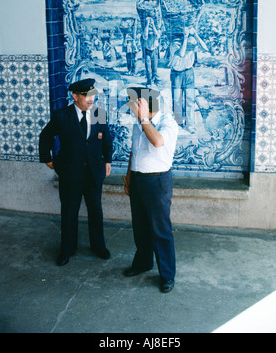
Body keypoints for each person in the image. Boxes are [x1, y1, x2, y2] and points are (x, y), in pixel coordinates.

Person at [39, 78, 113, 266]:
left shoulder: (98, 114)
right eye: (87, 96)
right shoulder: (62, 115)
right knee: (69, 211)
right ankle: (67, 249)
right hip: (70, 173)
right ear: (75, 96)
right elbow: (45, 136)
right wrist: (47, 159)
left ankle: (98, 246)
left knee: (96, 211)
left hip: (93, 172)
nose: (91, 99)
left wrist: (108, 159)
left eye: (92, 95)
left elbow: (106, 139)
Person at [123, 86, 178, 293]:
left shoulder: (168, 123)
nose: (128, 106)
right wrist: (129, 179)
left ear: (142, 104)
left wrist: (145, 119)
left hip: (157, 183)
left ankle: (167, 275)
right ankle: (143, 263)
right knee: (140, 227)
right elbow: (133, 152)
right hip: (138, 181)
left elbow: (157, 142)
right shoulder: (139, 123)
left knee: (160, 230)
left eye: (132, 102)